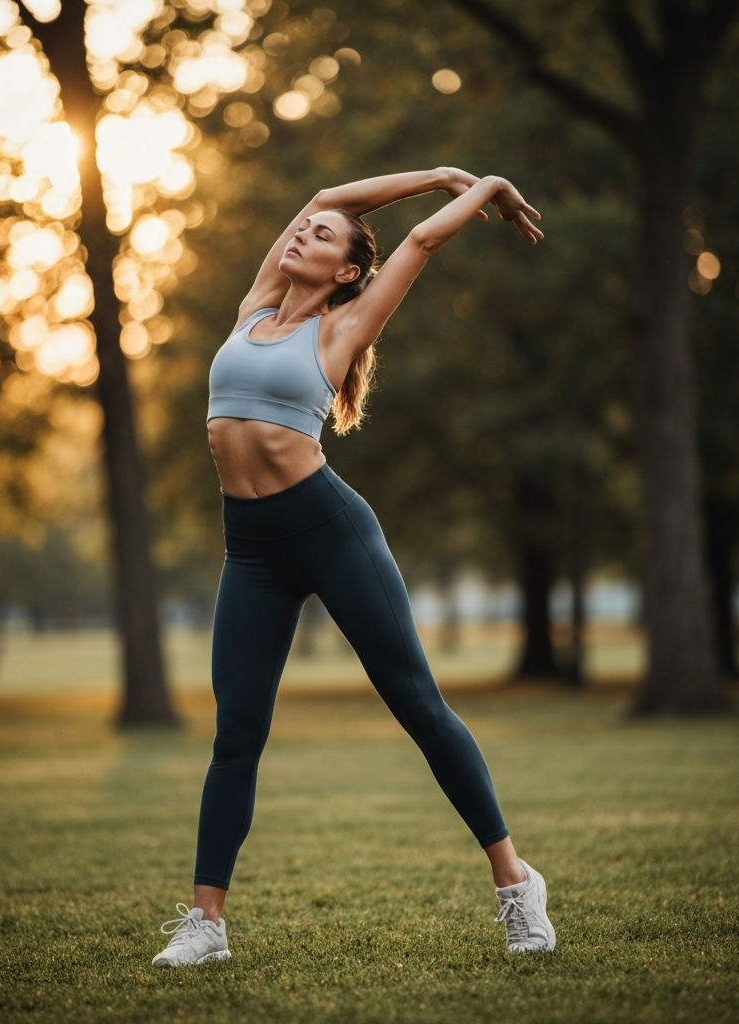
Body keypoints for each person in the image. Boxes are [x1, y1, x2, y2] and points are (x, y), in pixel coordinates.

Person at [153, 168, 555, 967]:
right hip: (253, 547)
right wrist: (437, 171)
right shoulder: (255, 309)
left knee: (417, 705)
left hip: (329, 530)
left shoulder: (344, 328)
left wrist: (484, 188)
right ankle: (206, 926)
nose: (305, 231)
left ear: (346, 274)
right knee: (236, 734)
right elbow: (326, 198)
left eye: (325, 238)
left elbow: (423, 239)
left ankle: (516, 885)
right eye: (304, 230)